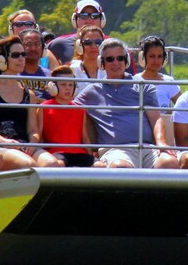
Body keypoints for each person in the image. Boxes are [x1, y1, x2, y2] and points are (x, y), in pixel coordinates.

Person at [75, 38, 179, 169]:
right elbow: (67, 108)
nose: (116, 63)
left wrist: (161, 143)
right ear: (102, 63)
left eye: (120, 58)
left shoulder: (143, 86)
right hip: (115, 151)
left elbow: (156, 119)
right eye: (110, 59)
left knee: (169, 162)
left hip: (146, 147)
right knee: (120, 166)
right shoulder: (92, 91)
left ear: (126, 61)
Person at [0, 35, 63, 169]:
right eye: (16, 55)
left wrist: (32, 143)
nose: (21, 58)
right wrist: (2, 141)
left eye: (23, 54)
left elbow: (33, 129)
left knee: (51, 164)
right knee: (27, 164)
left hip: (24, 145)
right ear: (2, 59)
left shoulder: (29, 94)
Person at [38, 65, 94, 167]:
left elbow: (85, 137)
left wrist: (90, 155)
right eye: (63, 84)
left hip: (79, 153)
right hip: (57, 153)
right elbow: (38, 134)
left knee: (100, 166)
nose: (68, 87)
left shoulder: (80, 110)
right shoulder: (44, 107)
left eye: (71, 84)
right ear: (53, 86)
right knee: (59, 165)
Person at [47, 0, 106, 65]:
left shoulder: (113, 44)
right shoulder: (58, 45)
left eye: (95, 16)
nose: (89, 21)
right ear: (74, 19)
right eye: (83, 16)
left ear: (102, 19)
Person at [133, 35, 181, 108]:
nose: (156, 61)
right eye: (152, 56)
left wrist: (169, 112)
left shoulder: (169, 81)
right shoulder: (134, 81)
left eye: (160, 56)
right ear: (143, 57)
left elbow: (183, 107)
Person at [16, 27, 53, 100]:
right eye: (28, 44)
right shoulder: (12, 76)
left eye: (37, 44)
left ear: (43, 48)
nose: (33, 48)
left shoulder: (51, 77)